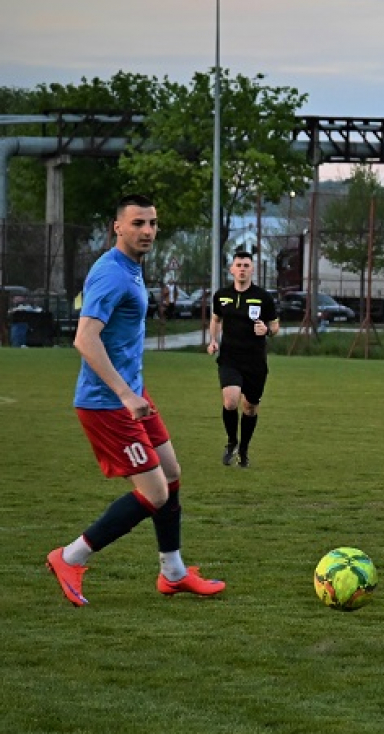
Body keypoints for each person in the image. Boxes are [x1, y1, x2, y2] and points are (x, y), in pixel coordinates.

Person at [46, 194, 225, 606]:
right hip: (107, 403)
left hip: (132, 394)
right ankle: (69, 556)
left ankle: (174, 573)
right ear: (118, 227)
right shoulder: (112, 273)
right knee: (156, 493)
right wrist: (125, 394)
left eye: (152, 223)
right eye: (138, 223)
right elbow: (84, 338)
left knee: (171, 472)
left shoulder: (129, 268)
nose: (147, 231)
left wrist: (133, 391)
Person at [207, 251, 279, 468]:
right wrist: (213, 340)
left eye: (246, 265)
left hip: (255, 362)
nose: (242, 268)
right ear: (231, 269)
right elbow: (216, 319)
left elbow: (275, 327)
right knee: (230, 401)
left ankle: (244, 449)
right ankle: (231, 442)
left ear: (252, 269)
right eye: (238, 265)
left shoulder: (263, 297)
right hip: (230, 358)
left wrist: (266, 329)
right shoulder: (221, 295)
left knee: (249, 408)